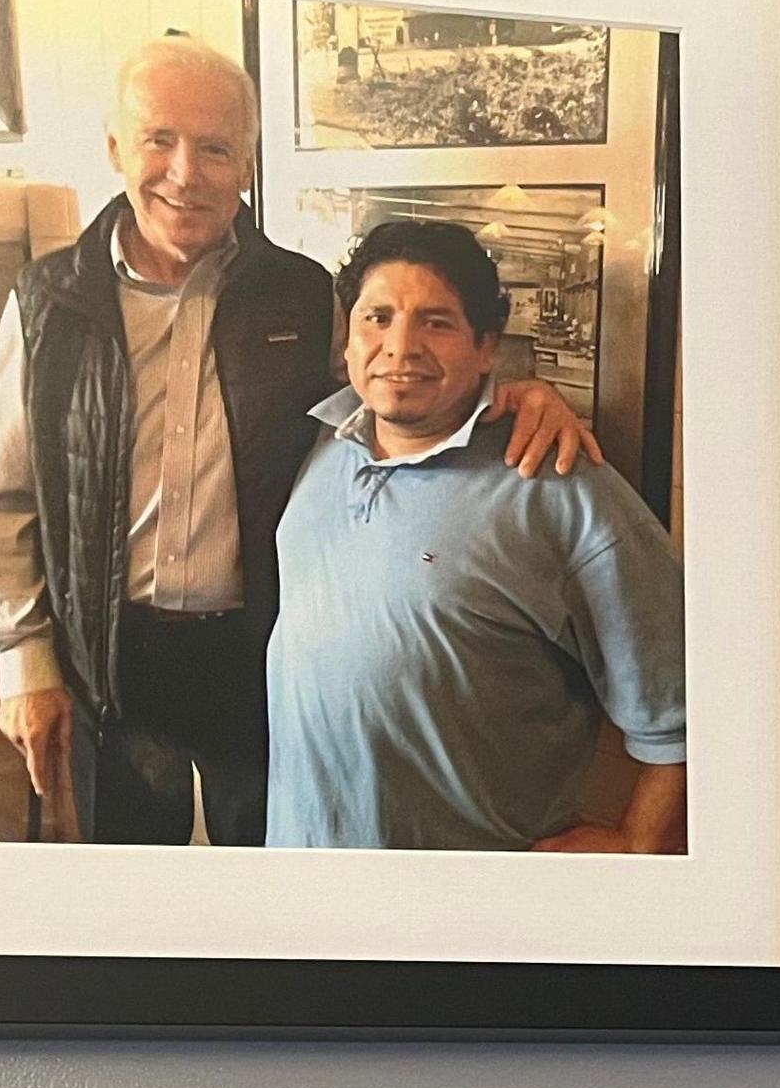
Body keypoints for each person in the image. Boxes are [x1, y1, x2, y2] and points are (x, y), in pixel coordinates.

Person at [0, 37, 597, 846]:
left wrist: (511, 396)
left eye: (215, 148)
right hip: (105, 658)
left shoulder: (302, 292)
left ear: (247, 162)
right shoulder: (48, 302)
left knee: (272, 872)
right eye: (159, 140)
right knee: (128, 898)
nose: (185, 174)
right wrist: (25, 658)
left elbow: (393, 398)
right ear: (116, 147)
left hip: (262, 649)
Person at [266, 222, 687, 853]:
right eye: (376, 318)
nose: (399, 347)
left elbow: (693, 705)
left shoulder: (561, 486)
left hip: (475, 904)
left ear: (487, 347)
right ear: (348, 340)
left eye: (435, 322)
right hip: (303, 869)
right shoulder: (321, 443)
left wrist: (637, 845)